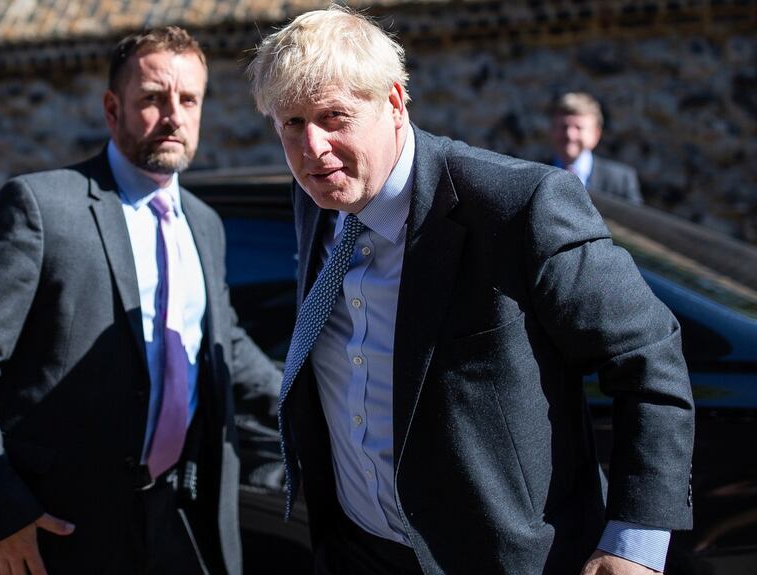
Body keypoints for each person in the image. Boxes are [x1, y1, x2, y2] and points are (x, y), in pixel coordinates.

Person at [247, 7, 693, 575]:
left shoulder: (516, 207)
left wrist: (636, 542)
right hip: (355, 550)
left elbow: (648, 356)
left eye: (334, 116)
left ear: (394, 102)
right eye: (291, 123)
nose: (313, 148)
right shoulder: (321, 197)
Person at [0, 26, 280, 575]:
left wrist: (310, 406)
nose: (174, 116)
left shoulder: (204, 225)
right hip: (56, 525)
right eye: (153, 99)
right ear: (112, 108)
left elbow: (220, 342)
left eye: (189, 100)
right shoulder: (43, 207)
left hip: (174, 513)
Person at [550, 91, 643, 204]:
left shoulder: (620, 181)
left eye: (579, 128)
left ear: (596, 134)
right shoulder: (535, 172)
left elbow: (632, 220)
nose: (570, 135)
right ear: (552, 130)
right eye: (564, 127)